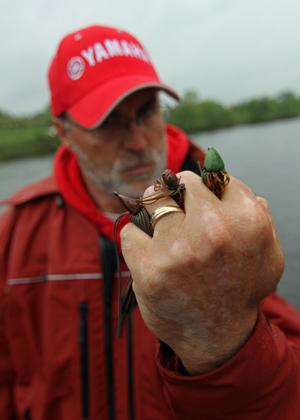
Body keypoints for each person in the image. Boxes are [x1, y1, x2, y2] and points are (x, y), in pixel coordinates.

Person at [0, 24, 299, 420]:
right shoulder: (13, 237)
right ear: (64, 133)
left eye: (146, 112)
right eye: (109, 122)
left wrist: (225, 343)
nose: (138, 141)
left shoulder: (220, 218)